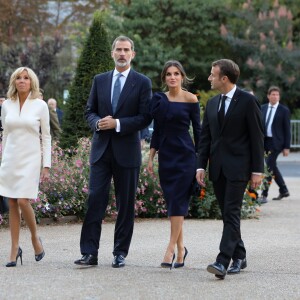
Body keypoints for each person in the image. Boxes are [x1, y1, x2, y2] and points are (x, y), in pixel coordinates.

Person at [74, 35, 152, 268]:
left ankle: (120, 252)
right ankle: (89, 253)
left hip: (127, 152)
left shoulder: (142, 82)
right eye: (118, 49)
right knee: (95, 200)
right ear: (112, 53)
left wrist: (117, 124)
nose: (122, 53)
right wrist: (98, 123)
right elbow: (89, 111)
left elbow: (145, 117)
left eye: (126, 50)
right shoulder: (99, 80)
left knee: (125, 205)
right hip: (101, 152)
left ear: (132, 54)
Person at [196, 59, 264, 279]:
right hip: (218, 168)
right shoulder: (213, 103)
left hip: (239, 168)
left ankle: (223, 260)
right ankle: (241, 255)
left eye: (212, 74)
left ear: (224, 78)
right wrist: (200, 165)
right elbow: (205, 138)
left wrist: (257, 170)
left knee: (232, 211)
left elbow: (257, 137)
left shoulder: (247, 101)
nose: (209, 77)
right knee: (228, 215)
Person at [147, 60, 201, 269]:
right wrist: (151, 158)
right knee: (173, 203)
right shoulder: (160, 100)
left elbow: (199, 133)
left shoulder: (191, 99)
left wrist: (201, 162)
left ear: (182, 76)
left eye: (176, 73)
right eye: (168, 74)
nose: (172, 77)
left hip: (186, 157)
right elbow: (157, 132)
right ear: (164, 78)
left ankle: (169, 249)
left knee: (179, 201)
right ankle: (181, 250)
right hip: (166, 157)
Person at [0, 67, 51, 267]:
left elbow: (46, 136)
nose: (22, 81)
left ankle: (35, 237)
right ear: (14, 82)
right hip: (10, 159)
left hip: (31, 159)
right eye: (18, 78)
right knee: (12, 202)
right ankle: (14, 248)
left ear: (32, 82)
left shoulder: (40, 105)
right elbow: (5, 133)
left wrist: (46, 164)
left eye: (26, 78)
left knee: (22, 200)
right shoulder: (6, 106)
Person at [258, 86, 291, 204]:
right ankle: (283, 189)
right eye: (273, 94)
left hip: (276, 142)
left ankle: (264, 194)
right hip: (264, 141)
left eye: (277, 95)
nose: (275, 96)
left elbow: (287, 130)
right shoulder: (263, 108)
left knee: (268, 167)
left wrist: (287, 146)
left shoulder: (284, 110)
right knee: (272, 167)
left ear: (279, 97)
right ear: (268, 96)